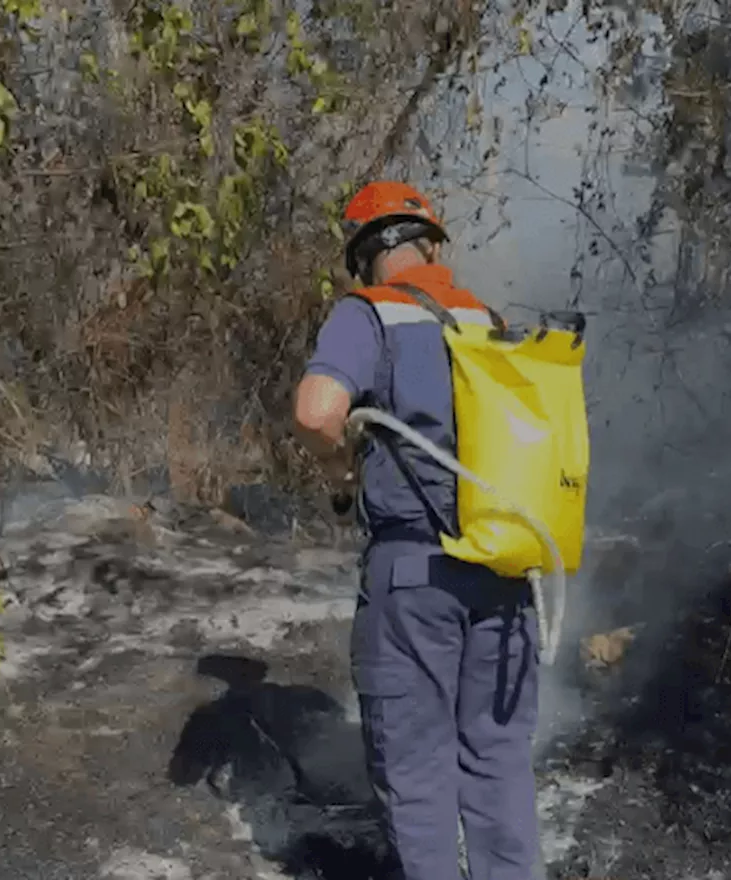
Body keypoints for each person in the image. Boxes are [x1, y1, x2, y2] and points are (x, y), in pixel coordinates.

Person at [292, 181, 541, 879]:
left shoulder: (369, 314)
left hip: (416, 575)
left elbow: (316, 411)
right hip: (507, 569)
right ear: (431, 244)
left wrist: (341, 474)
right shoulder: (488, 320)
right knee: (498, 764)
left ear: (367, 255)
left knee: (417, 768)